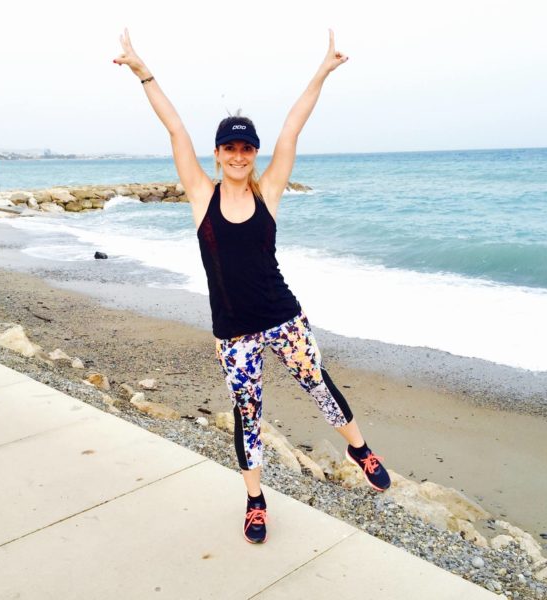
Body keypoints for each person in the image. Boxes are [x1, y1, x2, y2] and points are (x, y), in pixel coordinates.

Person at [113, 28, 390, 544]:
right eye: (230, 148)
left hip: (283, 316)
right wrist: (142, 71)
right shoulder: (202, 195)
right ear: (218, 154)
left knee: (317, 382)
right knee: (248, 415)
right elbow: (175, 129)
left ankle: (359, 449)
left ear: (254, 153)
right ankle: (256, 501)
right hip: (234, 332)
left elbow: (292, 129)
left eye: (246, 148)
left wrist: (322, 71)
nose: (238, 155)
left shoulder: (269, 193)